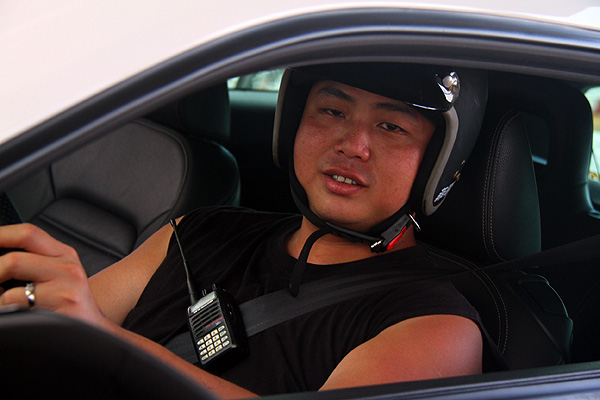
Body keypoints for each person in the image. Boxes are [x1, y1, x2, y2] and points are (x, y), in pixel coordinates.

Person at [0, 63, 488, 398]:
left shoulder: (436, 326)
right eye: (332, 111)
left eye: (391, 127)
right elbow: (49, 336)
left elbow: (87, 329)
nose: (352, 144)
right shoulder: (200, 231)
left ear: (438, 164)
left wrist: (104, 343)